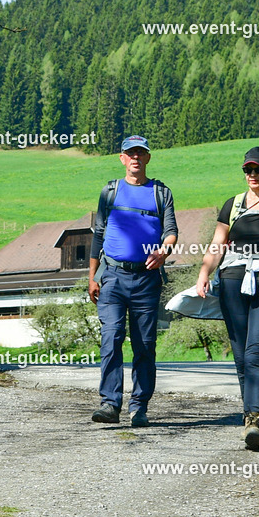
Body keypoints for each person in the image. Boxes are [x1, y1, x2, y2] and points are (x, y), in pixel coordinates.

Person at [195, 146, 259, 449]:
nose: (252, 175)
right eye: (247, 170)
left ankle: (254, 417)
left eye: (258, 169)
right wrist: (204, 273)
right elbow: (218, 243)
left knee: (256, 352)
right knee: (241, 356)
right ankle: (253, 417)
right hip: (232, 281)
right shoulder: (232, 205)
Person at [88, 135, 177, 427]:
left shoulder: (161, 193)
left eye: (141, 153)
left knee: (144, 345)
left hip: (147, 279)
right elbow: (98, 235)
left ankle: (139, 406)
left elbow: (171, 231)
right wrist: (92, 277)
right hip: (112, 276)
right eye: (130, 153)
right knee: (111, 337)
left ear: (148, 158)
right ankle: (110, 404)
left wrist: (165, 250)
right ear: (122, 158)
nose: (136, 158)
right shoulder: (110, 192)